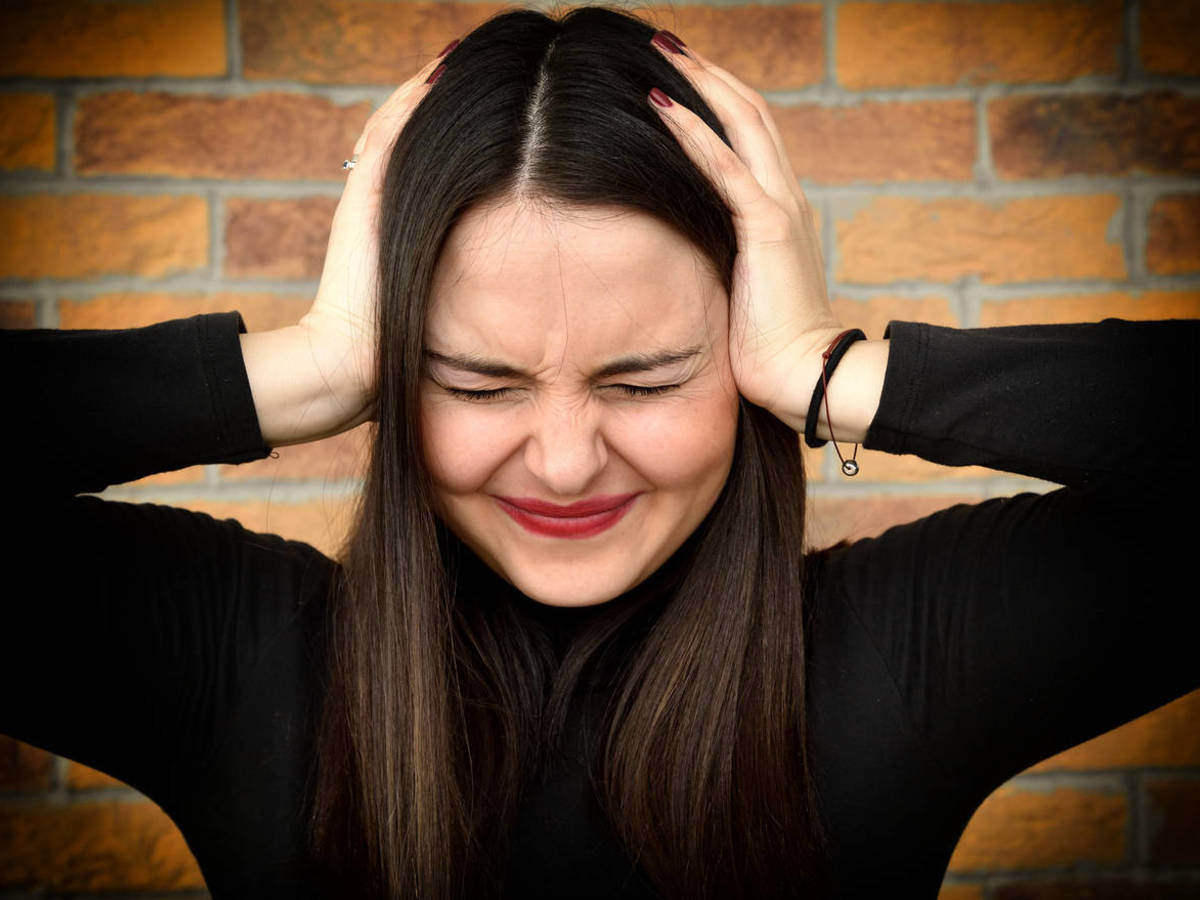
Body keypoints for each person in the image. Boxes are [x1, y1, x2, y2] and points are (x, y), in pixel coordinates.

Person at [2, 6, 1197, 899]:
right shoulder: (243, 660)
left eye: (646, 379)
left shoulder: (906, 654)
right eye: (475, 381)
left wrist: (833, 372)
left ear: (737, 357)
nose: (566, 464)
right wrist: (305, 368)